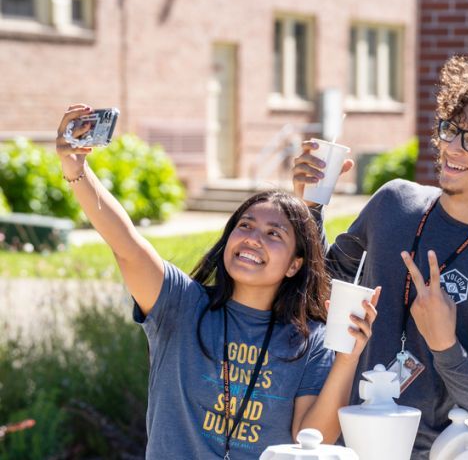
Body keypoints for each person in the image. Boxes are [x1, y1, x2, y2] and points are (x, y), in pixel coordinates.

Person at [292, 45, 468, 458]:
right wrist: (310, 208)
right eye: (450, 129)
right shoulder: (393, 203)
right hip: (338, 445)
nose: (452, 148)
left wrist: (445, 344)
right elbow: (319, 286)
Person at [56, 104, 380, 460]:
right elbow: (127, 245)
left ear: (294, 265)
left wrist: (346, 360)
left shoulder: (309, 340)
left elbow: (311, 437)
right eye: (245, 226)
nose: (253, 238)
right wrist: (76, 170)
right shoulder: (181, 304)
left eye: (274, 234)